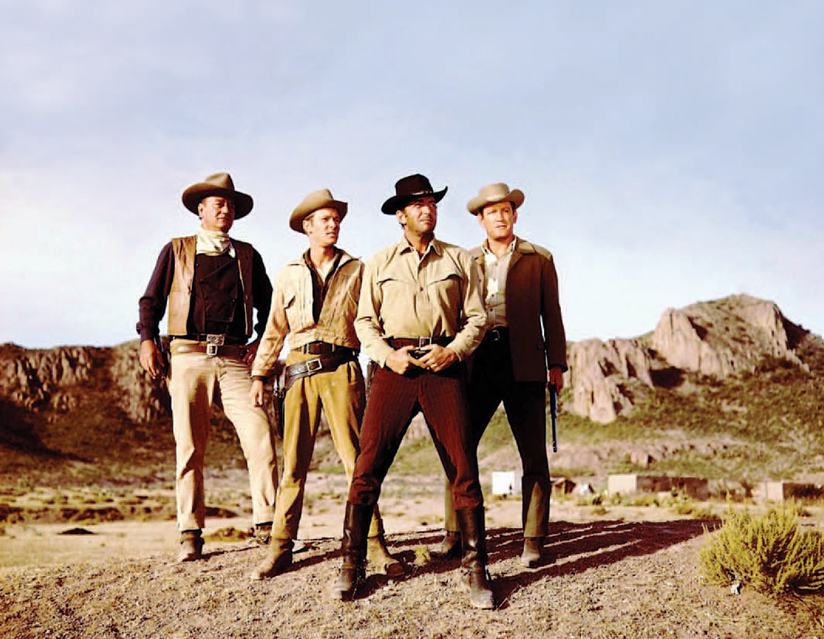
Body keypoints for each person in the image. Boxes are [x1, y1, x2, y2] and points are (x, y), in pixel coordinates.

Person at [332, 173, 494, 609]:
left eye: (432, 203)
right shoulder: (379, 262)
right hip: (395, 369)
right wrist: (388, 357)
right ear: (401, 215)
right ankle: (351, 564)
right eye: (418, 204)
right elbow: (364, 323)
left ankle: (477, 568)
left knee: (463, 466)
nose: (428, 210)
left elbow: (477, 318)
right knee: (368, 464)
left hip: (444, 367)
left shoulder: (459, 259)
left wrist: (453, 352)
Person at [248, 189, 402, 580]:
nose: (333, 225)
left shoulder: (358, 269)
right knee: (293, 464)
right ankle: (280, 546)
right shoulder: (288, 273)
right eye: (325, 220)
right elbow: (274, 329)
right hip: (297, 372)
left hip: (342, 369)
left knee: (357, 462)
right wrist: (260, 374)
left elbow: (375, 320)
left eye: (336, 219)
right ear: (308, 227)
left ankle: (373, 543)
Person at [137, 172, 278, 562]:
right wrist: (147, 339)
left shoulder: (247, 255)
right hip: (187, 355)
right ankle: (190, 532)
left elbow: (270, 304)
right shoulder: (176, 250)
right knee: (189, 446)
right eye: (218, 204)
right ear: (201, 210)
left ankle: (268, 526)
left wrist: (261, 342)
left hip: (233, 357)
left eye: (230, 205)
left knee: (260, 434)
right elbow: (150, 301)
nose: (225, 210)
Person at [434, 182, 567, 568]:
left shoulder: (539, 258)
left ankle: (534, 539)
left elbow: (552, 314)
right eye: (492, 212)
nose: (500, 217)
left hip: (524, 360)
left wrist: (556, 363)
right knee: (458, 449)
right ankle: (455, 533)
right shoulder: (464, 260)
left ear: (515, 215)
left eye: (506, 210)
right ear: (481, 220)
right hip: (476, 360)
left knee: (533, 453)